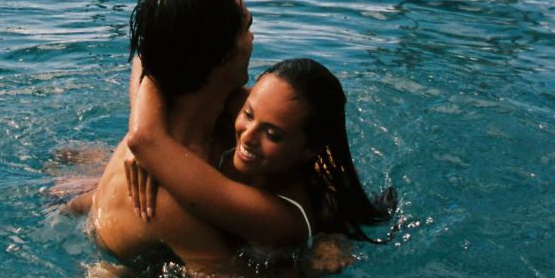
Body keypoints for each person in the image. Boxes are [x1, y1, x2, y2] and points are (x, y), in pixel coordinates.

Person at [87, 0, 284, 278]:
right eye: (246, 28)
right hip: (133, 277)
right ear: (219, 56)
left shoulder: (220, 107)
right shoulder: (164, 198)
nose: (252, 39)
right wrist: (305, 267)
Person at [125, 58, 393, 260]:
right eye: (248, 114)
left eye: (273, 134)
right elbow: (148, 56)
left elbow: (145, 141)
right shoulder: (265, 112)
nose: (248, 136)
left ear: (309, 150)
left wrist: (146, 151)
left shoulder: (284, 217)